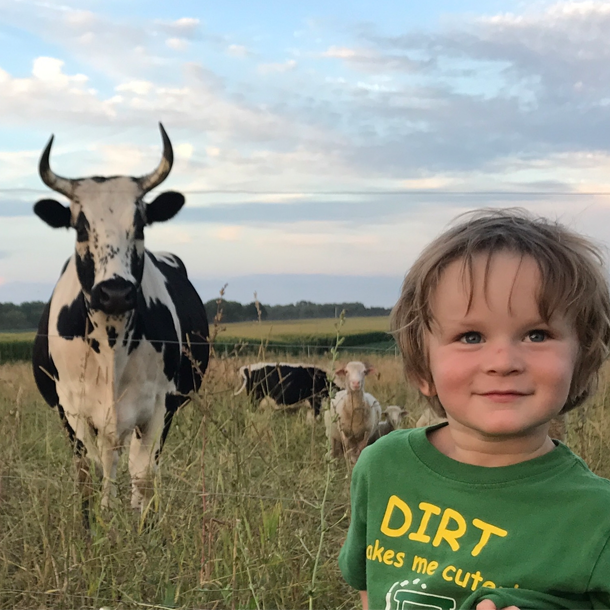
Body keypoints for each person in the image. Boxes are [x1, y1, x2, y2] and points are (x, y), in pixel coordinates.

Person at [338, 208, 610, 610]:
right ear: (422, 367)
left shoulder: (596, 518)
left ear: (582, 358)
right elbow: (369, 587)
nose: (503, 361)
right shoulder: (382, 467)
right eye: (470, 336)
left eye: (537, 334)